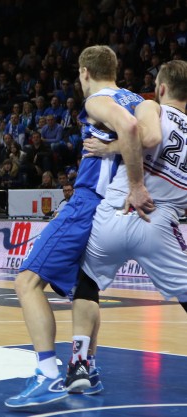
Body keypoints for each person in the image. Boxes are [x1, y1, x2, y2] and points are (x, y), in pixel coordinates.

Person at [5, 45, 154, 408]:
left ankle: (47, 374)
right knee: (85, 290)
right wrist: (122, 158)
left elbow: (130, 128)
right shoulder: (138, 99)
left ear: (84, 72)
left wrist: (113, 155)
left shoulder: (98, 99)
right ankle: (85, 369)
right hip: (118, 211)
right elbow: (150, 139)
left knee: (27, 281)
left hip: (89, 203)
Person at [69, 60, 187, 393]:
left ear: (161, 88)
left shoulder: (151, 107)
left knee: (87, 283)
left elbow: (146, 136)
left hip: (116, 212)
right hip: (159, 222)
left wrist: (109, 147)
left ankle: (79, 365)